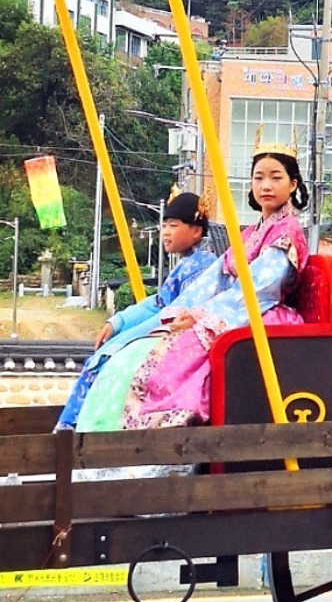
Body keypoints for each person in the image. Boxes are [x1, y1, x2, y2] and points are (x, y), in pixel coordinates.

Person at [77, 147, 309, 433]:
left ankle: (160, 427)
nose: (266, 185)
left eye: (276, 177)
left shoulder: (287, 232)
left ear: (293, 184)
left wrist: (201, 316)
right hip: (232, 309)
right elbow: (213, 281)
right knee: (142, 347)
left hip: (256, 312)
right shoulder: (250, 234)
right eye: (258, 177)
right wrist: (181, 310)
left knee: (178, 354)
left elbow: (259, 288)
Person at [54, 191, 215, 433]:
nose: (166, 232)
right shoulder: (188, 262)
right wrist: (117, 323)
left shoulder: (202, 266)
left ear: (196, 230)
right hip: (164, 327)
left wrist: (128, 337)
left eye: (173, 225)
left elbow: (173, 311)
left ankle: (81, 429)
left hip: (178, 336)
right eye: (163, 226)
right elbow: (159, 303)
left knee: (109, 360)